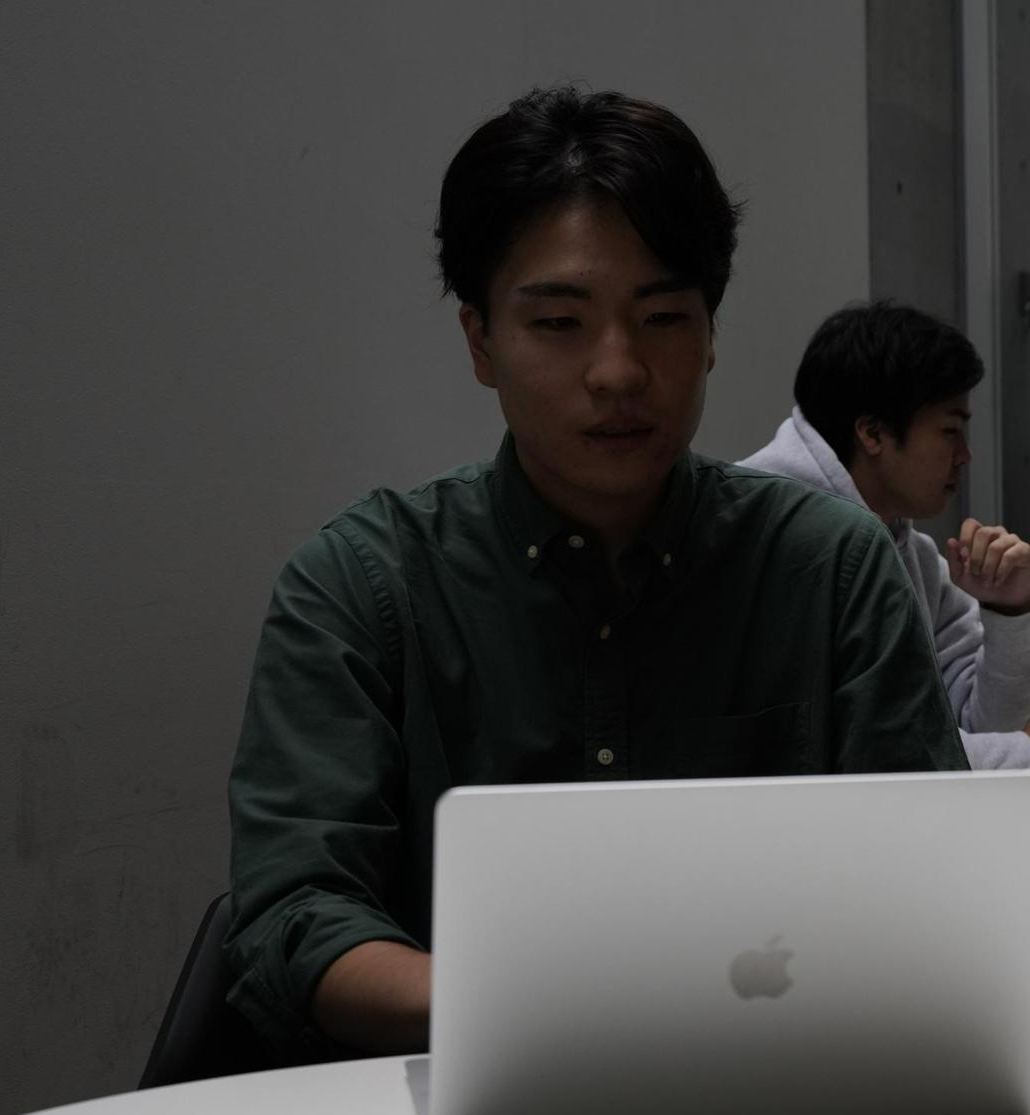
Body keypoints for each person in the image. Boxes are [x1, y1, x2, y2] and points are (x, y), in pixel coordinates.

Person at [222, 88, 968, 1061]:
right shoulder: (362, 586)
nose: (618, 371)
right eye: (559, 323)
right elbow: (294, 915)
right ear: (481, 341)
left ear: (710, 334)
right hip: (443, 1100)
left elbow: (934, 887)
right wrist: (539, 1000)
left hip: (776, 1092)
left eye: (661, 317)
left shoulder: (829, 569)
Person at [740, 302, 1030, 770]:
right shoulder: (769, 538)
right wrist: (1028, 754)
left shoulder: (911, 553)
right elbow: (855, 752)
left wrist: (1008, 611)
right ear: (873, 433)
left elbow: (988, 725)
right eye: (950, 431)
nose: (965, 454)